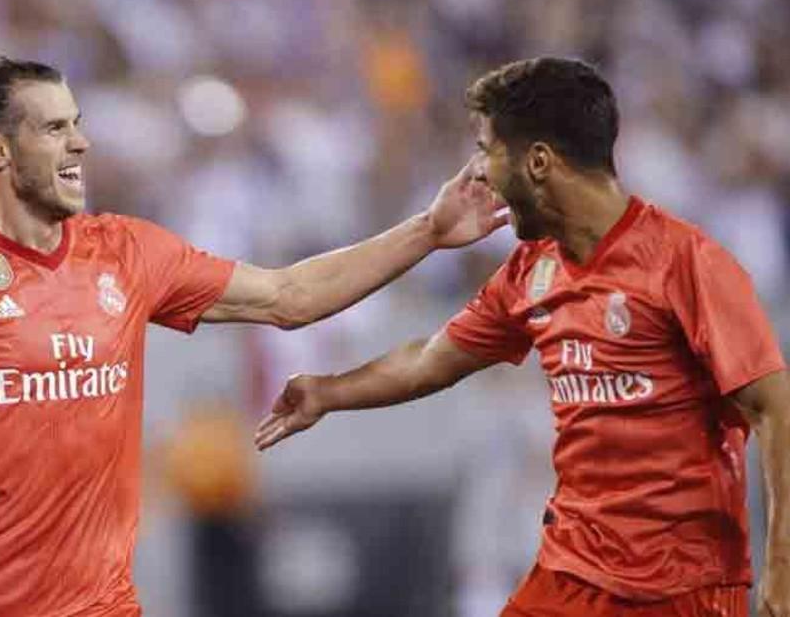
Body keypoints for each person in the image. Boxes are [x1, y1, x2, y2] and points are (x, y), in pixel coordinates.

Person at [0, 52, 505, 617]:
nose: (82, 143)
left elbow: (290, 297)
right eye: (55, 129)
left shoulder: (126, 251)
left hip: (102, 604)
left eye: (77, 123)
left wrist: (427, 231)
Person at [255, 57, 790, 617]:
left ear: (538, 161)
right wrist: (327, 392)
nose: (478, 173)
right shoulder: (530, 271)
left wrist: (780, 568)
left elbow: (776, 413)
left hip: (684, 590)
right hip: (570, 578)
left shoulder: (687, 264)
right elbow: (430, 360)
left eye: (486, 149)